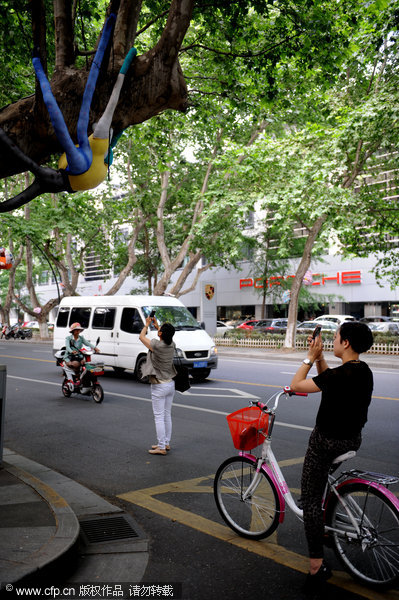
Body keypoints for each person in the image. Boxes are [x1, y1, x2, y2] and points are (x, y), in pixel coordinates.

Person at [290, 321, 374, 595]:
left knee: (311, 500)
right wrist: (322, 358)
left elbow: (296, 384)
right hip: (352, 440)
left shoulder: (340, 376)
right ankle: (324, 529)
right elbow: (329, 381)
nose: (334, 340)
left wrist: (309, 357)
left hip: (325, 443)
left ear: (346, 343)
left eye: (336, 337)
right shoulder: (362, 371)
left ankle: (316, 567)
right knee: (321, 486)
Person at [139, 315, 177, 455]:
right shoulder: (172, 344)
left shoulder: (156, 344)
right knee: (167, 415)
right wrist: (157, 326)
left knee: (159, 416)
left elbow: (141, 337)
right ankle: (166, 443)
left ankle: (161, 447)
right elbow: (165, 334)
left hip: (159, 385)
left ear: (161, 334)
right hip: (170, 384)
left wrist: (147, 324)